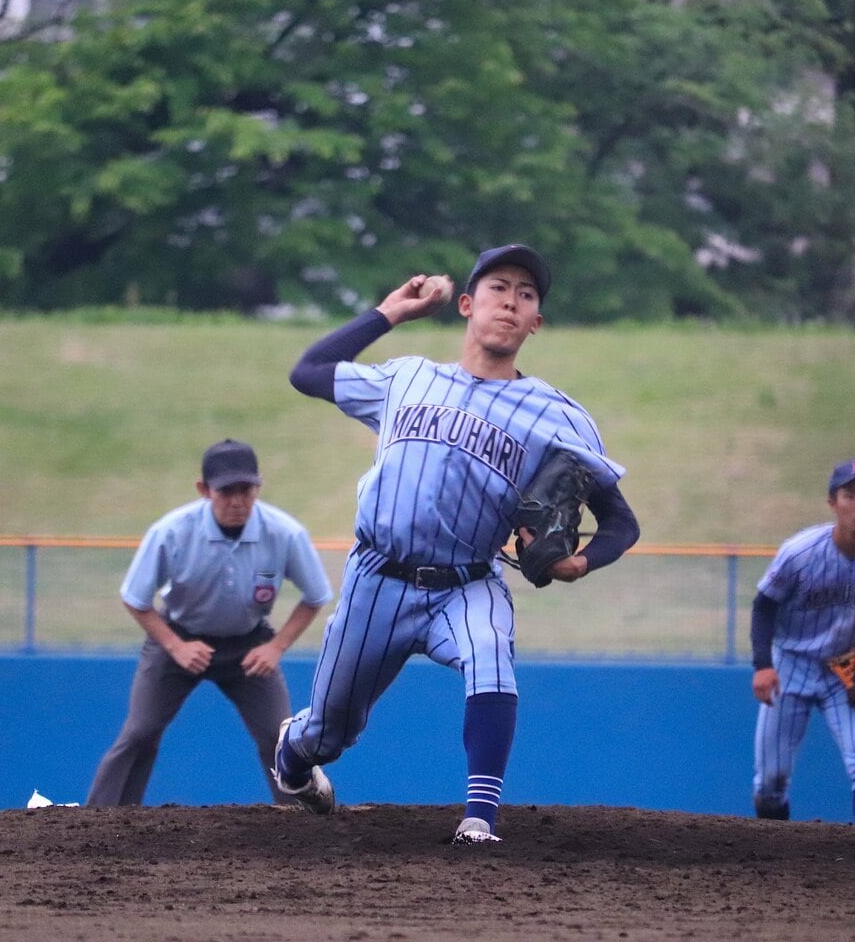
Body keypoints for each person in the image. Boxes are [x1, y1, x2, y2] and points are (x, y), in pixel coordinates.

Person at [275, 244, 641, 843]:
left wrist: (580, 561)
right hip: (377, 582)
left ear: (535, 323)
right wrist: (388, 313)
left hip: (468, 584)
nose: (512, 301)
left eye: (527, 294)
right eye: (499, 288)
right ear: (468, 305)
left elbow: (621, 524)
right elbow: (307, 373)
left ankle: (479, 820)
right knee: (329, 733)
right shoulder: (407, 378)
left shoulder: (558, 417)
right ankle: (296, 750)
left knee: (492, 657)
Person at [86, 439, 334, 807]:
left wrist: (276, 646)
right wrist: (175, 646)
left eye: (246, 490)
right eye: (226, 491)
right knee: (140, 732)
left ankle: (304, 821)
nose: (237, 501)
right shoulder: (171, 533)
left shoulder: (284, 534)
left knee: (280, 739)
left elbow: (315, 595)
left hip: (249, 646)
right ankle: (98, 821)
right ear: (204, 490)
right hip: (180, 640)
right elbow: (135, 598)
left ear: (258, 488)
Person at [749, 459, 855, 826]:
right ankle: (772, 861)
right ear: (832, 503)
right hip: (792, 663)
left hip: (848, 667)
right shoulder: (801, 553)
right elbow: (763, 606)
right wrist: (763, 665)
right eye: (850, 495)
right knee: (770, 782)